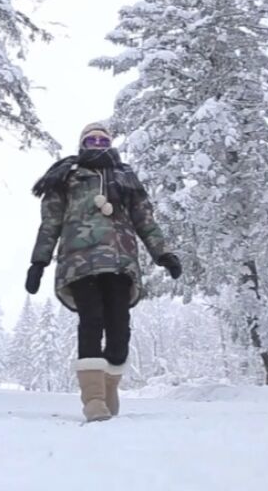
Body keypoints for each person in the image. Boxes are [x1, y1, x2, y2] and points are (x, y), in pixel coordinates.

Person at [27, 122, 182, 421]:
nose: (97, 143)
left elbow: (144, 219)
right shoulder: (66, 176)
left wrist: (163, 253)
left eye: (102, 139)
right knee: (91, 321)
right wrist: (39, 262)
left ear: (109, 144)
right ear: (82, 144)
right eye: (91, 139)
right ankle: (94, 399)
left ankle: (109, 389)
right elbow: (50, 223)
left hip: (120, 262)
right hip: (79, 262)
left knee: (119, 329)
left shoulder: (126, 177)